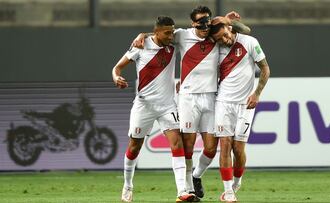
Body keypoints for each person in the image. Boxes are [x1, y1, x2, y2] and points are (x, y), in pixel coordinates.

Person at [132, 6, 251, 199]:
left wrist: (227, 21)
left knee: (211, 148)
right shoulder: (182, 35)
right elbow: (161, 33)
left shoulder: (215, 35)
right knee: (187, 147)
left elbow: (245, 31)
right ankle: (187, 189)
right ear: (193, 23)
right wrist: (142, 35)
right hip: (188, 98)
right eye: (201, 22)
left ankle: (196, 176)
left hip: (211, 96)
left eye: (207, 21)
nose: (205, 26)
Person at [112, 16, 198, 202]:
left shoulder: (172, 45)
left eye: (172, 32)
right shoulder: (140, 47)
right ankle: (127, 185)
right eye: (167, 32)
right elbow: (117, 68)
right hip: (144, 105)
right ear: (157, 32)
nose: (171, 36)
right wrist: (115, 77)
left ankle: (182, 191)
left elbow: (193, 33)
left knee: (177, 144)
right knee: (134, 147)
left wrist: (144, 33)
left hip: (168, 105)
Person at [209, 19, 270, 202]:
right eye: (220, 39)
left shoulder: (249, 42)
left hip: (245, 104)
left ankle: (237, 182)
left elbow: (265, 68)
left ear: (230, 28)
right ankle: (228, 191)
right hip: (223, 103)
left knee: (238, 148)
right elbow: (187, 36)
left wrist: (257, 93)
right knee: (225, 146)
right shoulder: (215, 48)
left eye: (226, 35)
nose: (225, 40)